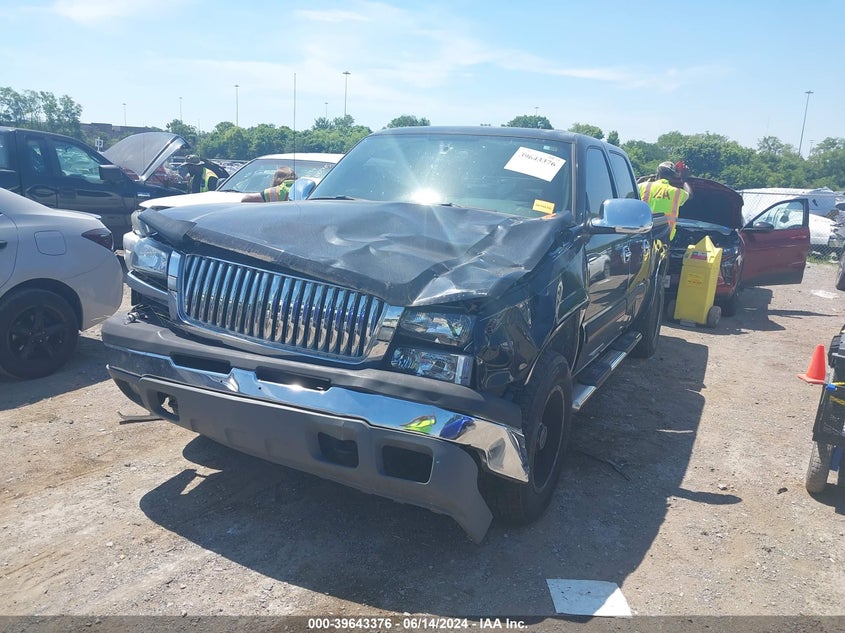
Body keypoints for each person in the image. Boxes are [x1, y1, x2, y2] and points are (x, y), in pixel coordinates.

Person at [638, 161, 693, 240]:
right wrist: (684, 179)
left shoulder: (644, 186)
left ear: (658, 172)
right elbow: (690, 195)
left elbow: (629, 192)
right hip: (664, 236)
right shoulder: (676, 192)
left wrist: (643, 178)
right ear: (672, 176)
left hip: (642, 233)